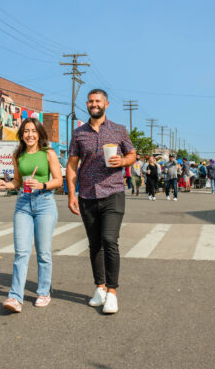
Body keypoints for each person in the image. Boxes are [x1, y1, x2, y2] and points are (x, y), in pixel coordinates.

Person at [66, 89, 136, 314]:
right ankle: (100, 288)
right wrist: (71, 195)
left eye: (98, 101)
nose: (93, 104)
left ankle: (113, 293)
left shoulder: (118, 130)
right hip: (87, 195)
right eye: (90, 101)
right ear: (87, 105)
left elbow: (133, 154)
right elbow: (72, 166)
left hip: (113, 193)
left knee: (109, 240)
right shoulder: (79, 134)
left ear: (106, 103)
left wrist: (123, 161)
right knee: (94, 244)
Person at [0, 118, 63, 313]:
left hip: (44, 203)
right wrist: (5, 185)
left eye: (33, 131)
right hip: (23, 204)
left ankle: (43, 291)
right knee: (21, 253)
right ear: (21, 134)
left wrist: (42, 185)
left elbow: (59, 180)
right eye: (26, 131)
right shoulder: (18, 155)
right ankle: (15, 297)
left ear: (39, 133)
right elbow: (17, 181)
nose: (30, 135)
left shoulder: (48, 153)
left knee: (43, 253)